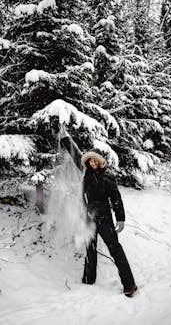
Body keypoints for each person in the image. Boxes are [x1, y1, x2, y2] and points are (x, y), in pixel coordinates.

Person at [59, 124, 137, 297]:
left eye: (95, 160)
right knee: (90, 249)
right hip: (88, 219)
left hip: (104, 219)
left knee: (115, 249)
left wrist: (121, 219)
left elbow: (116, 198)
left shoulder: (107, 176)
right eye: (90, 161)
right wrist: (65, 137)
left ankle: (129, 284)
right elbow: (75, 154)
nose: (92, 163)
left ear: (100, 161)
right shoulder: (85, 173)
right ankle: (88, 279)